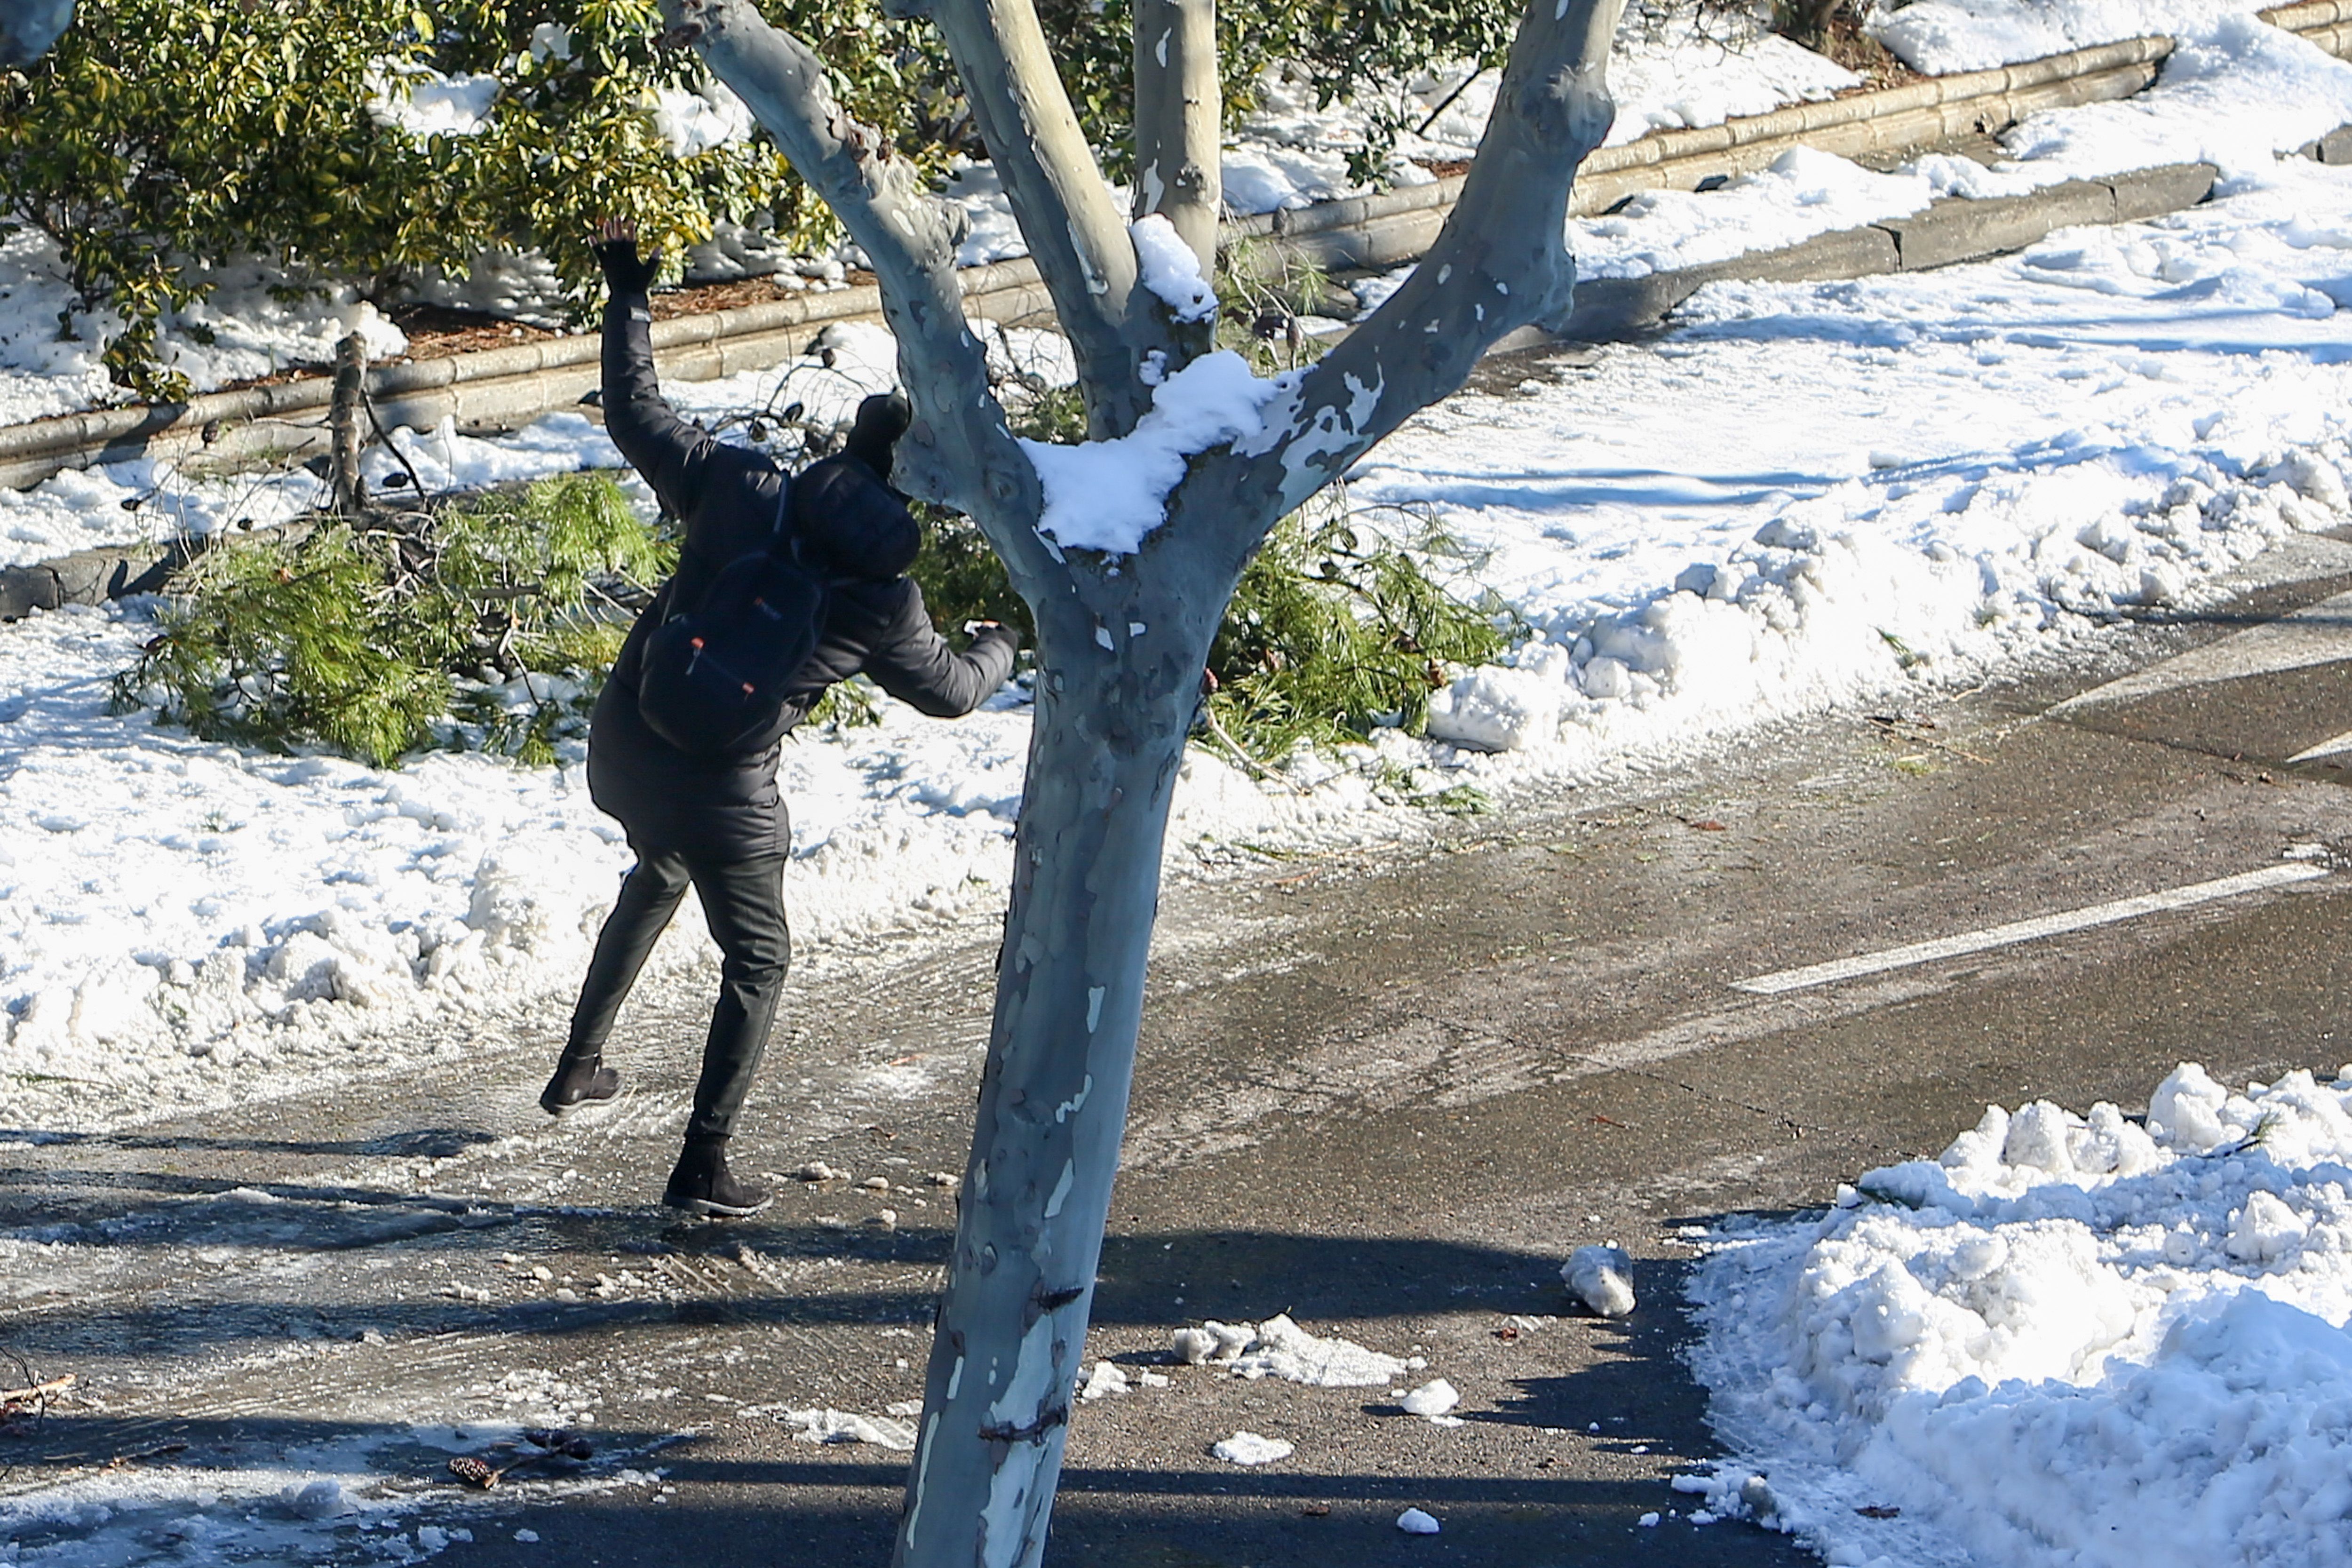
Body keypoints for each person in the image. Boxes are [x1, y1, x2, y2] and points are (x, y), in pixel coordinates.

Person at [541, 222, 1019, 1218]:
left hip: (625, 745)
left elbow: (634, 408)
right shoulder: (878, 603)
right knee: (759, 961)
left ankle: (581, 1063)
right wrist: (1002, 644)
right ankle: (703, 1165)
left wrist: (628, 290)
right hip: (726, 796)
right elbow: (951, 691)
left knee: (658, 867)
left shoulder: (741, 488)